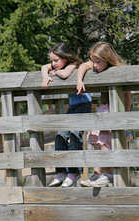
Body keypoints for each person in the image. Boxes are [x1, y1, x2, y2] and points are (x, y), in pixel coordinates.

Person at [77, 41, 132, 188]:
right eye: (93, 61)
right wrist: (79, 80)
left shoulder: (119, 70)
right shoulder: (96, 63)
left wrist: (125, 115)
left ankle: (108, 174)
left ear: (108, 59)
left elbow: (127, 94)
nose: (94, 65)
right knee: (95, 139)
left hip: (113, 110)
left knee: (106, 142)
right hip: (102, 110)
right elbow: (83, 66)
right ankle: (96, 174)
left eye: (98, 62)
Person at [41, 42, 92, 187]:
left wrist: (55, 72)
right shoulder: (59, 64)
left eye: (56, 60)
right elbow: (44, 67)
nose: (53, 63)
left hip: (83, 104)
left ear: (65, 57)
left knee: (75, 134)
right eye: (52, 60)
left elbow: (65, 74)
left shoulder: (73, 64)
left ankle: (74, 171)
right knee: (61, 134)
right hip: (73, 106)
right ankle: (61, 170)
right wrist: (45, 76)